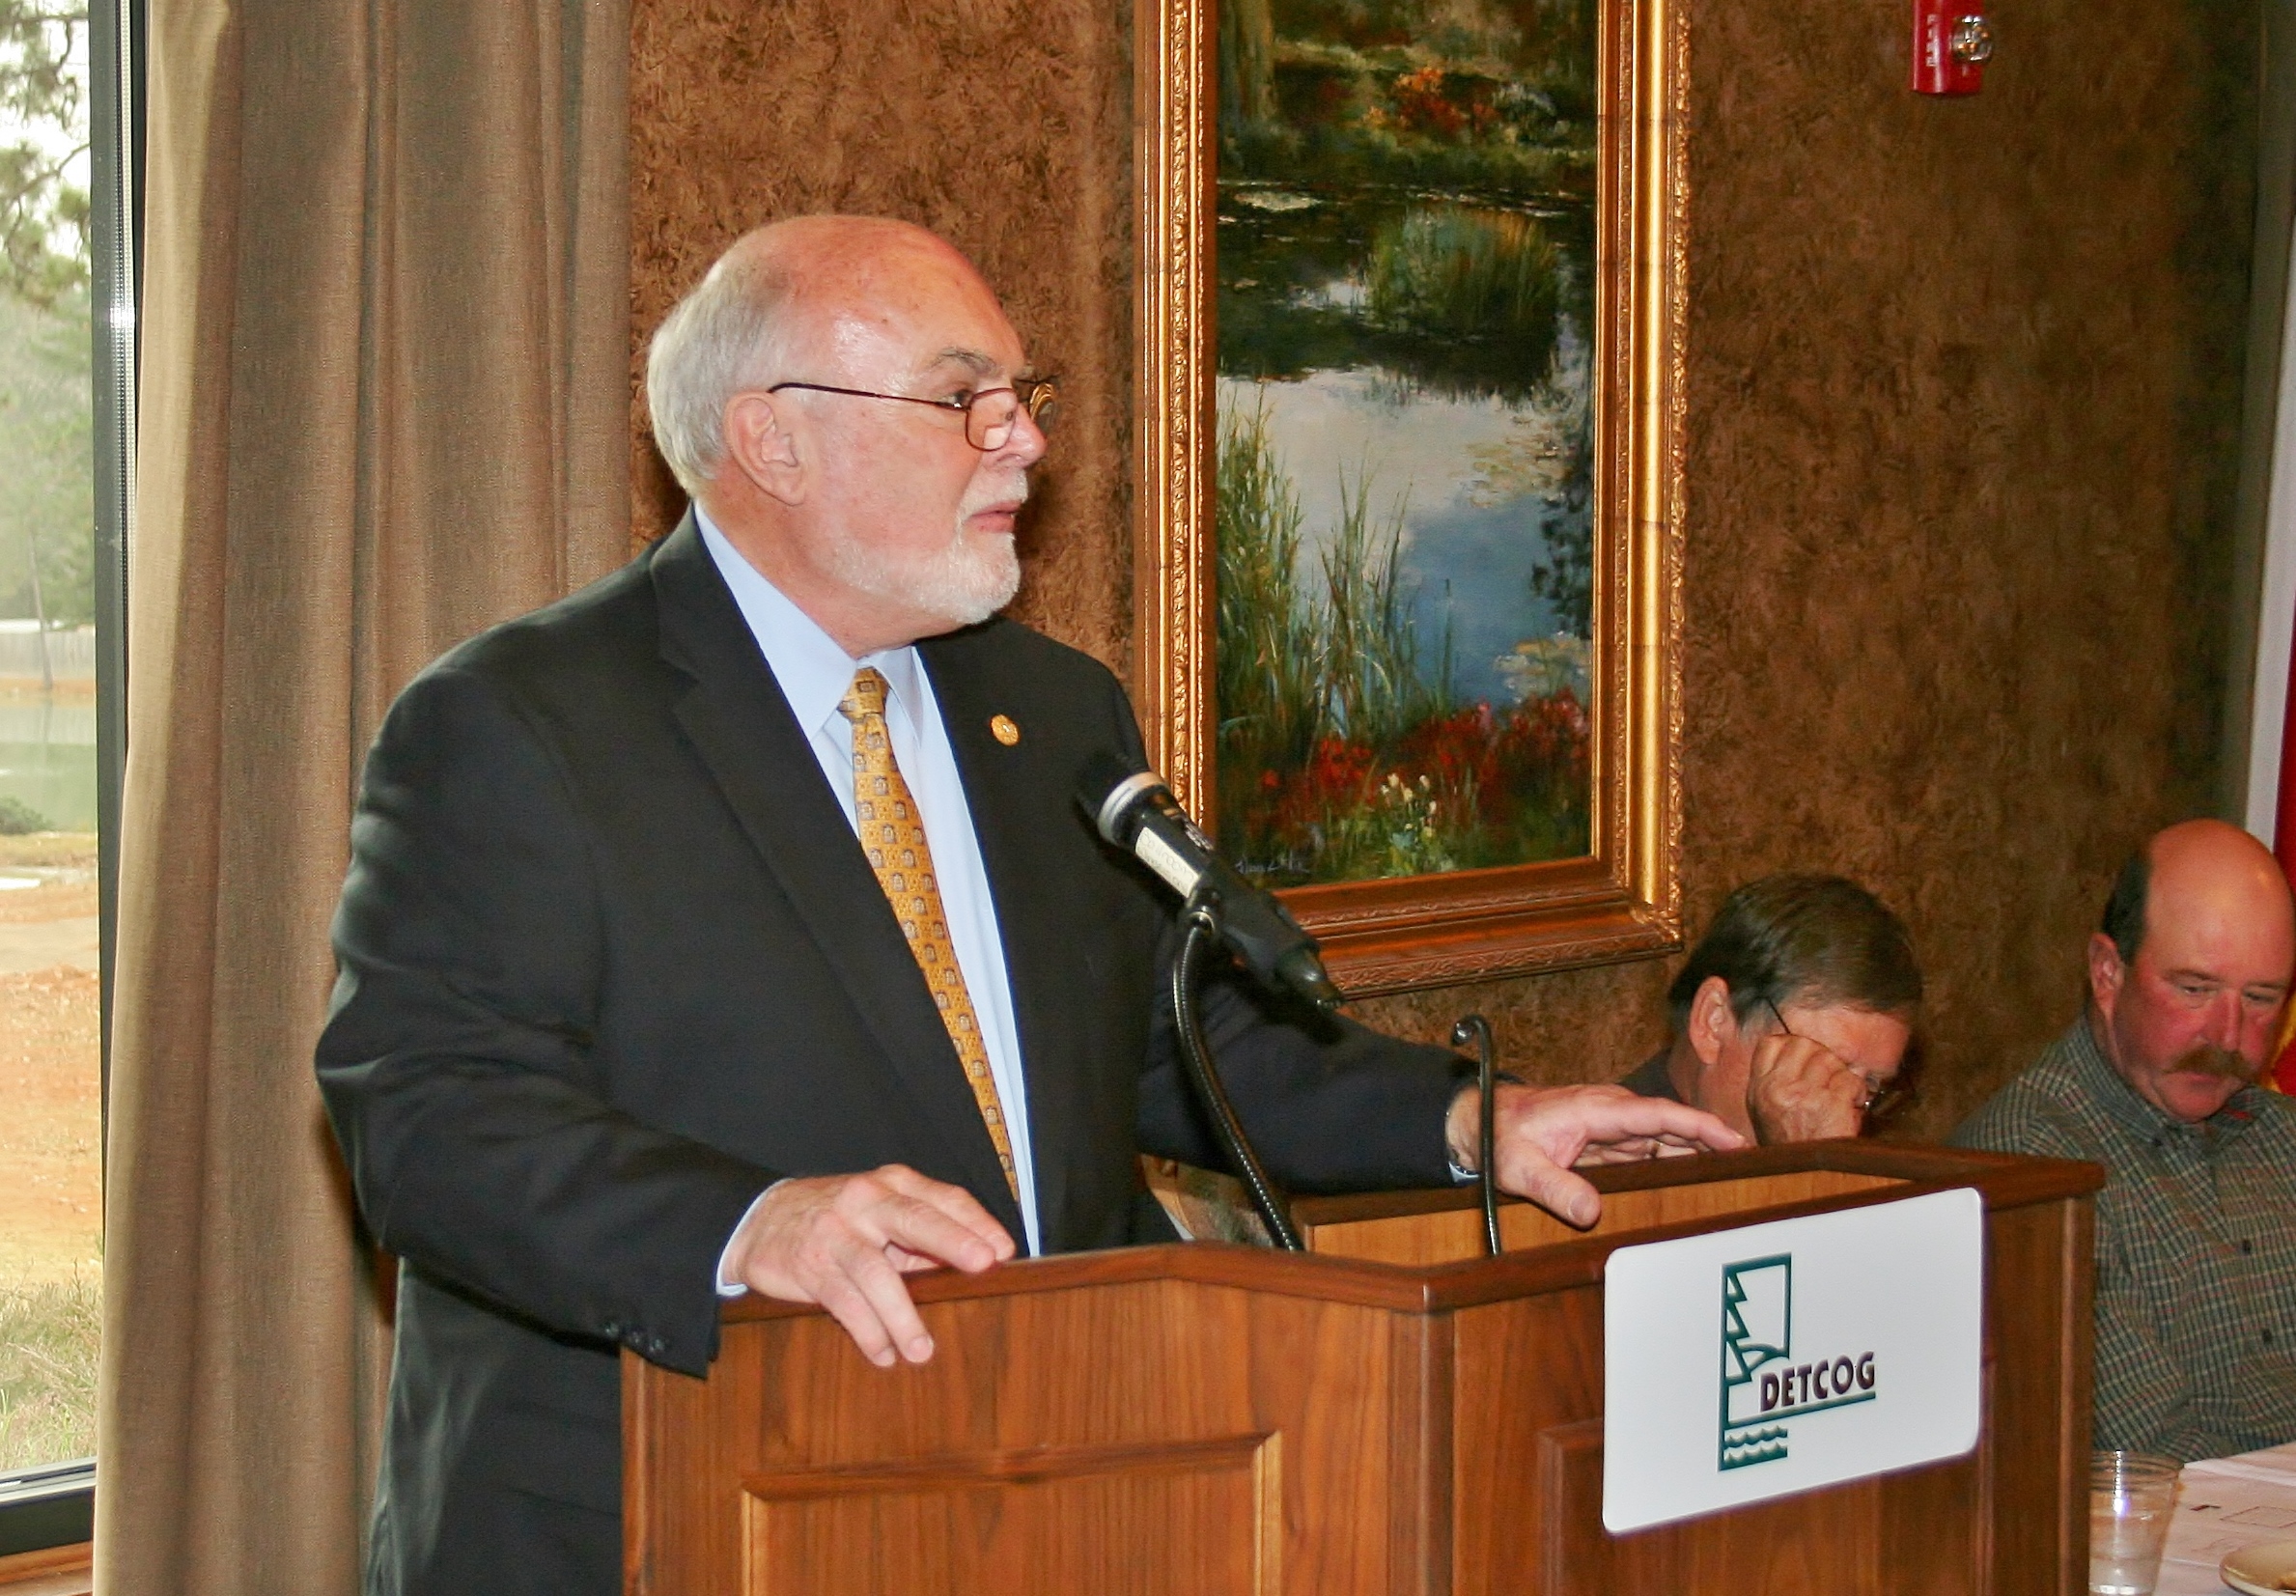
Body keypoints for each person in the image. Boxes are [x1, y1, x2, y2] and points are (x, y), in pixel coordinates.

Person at [314, 215, 1743, 1596]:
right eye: (963, 398)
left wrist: (1462, 1119)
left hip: (1053, 1493)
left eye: (1020, 394)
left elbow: (1164, 1045)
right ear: (773, 437)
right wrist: (743, 1223)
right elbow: (429, 1113)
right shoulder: (521, 724)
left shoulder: (1050, 711)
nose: (1027, 437)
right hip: (666, 1506)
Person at [1951, 820, 2296, 1462]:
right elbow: (2152, 1459)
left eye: (2261, 998)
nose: (2226, 1033)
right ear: (2107, 972)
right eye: (2194, 989)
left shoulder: (2281, 1139)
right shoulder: (2026, 1166)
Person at [1617, 874, 1921, 1142]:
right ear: (1714, 1020)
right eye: (1825, 1072)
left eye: (1871, 1086)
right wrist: (1808, 1166)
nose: (1846, 1124)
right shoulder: (1604, 1175)